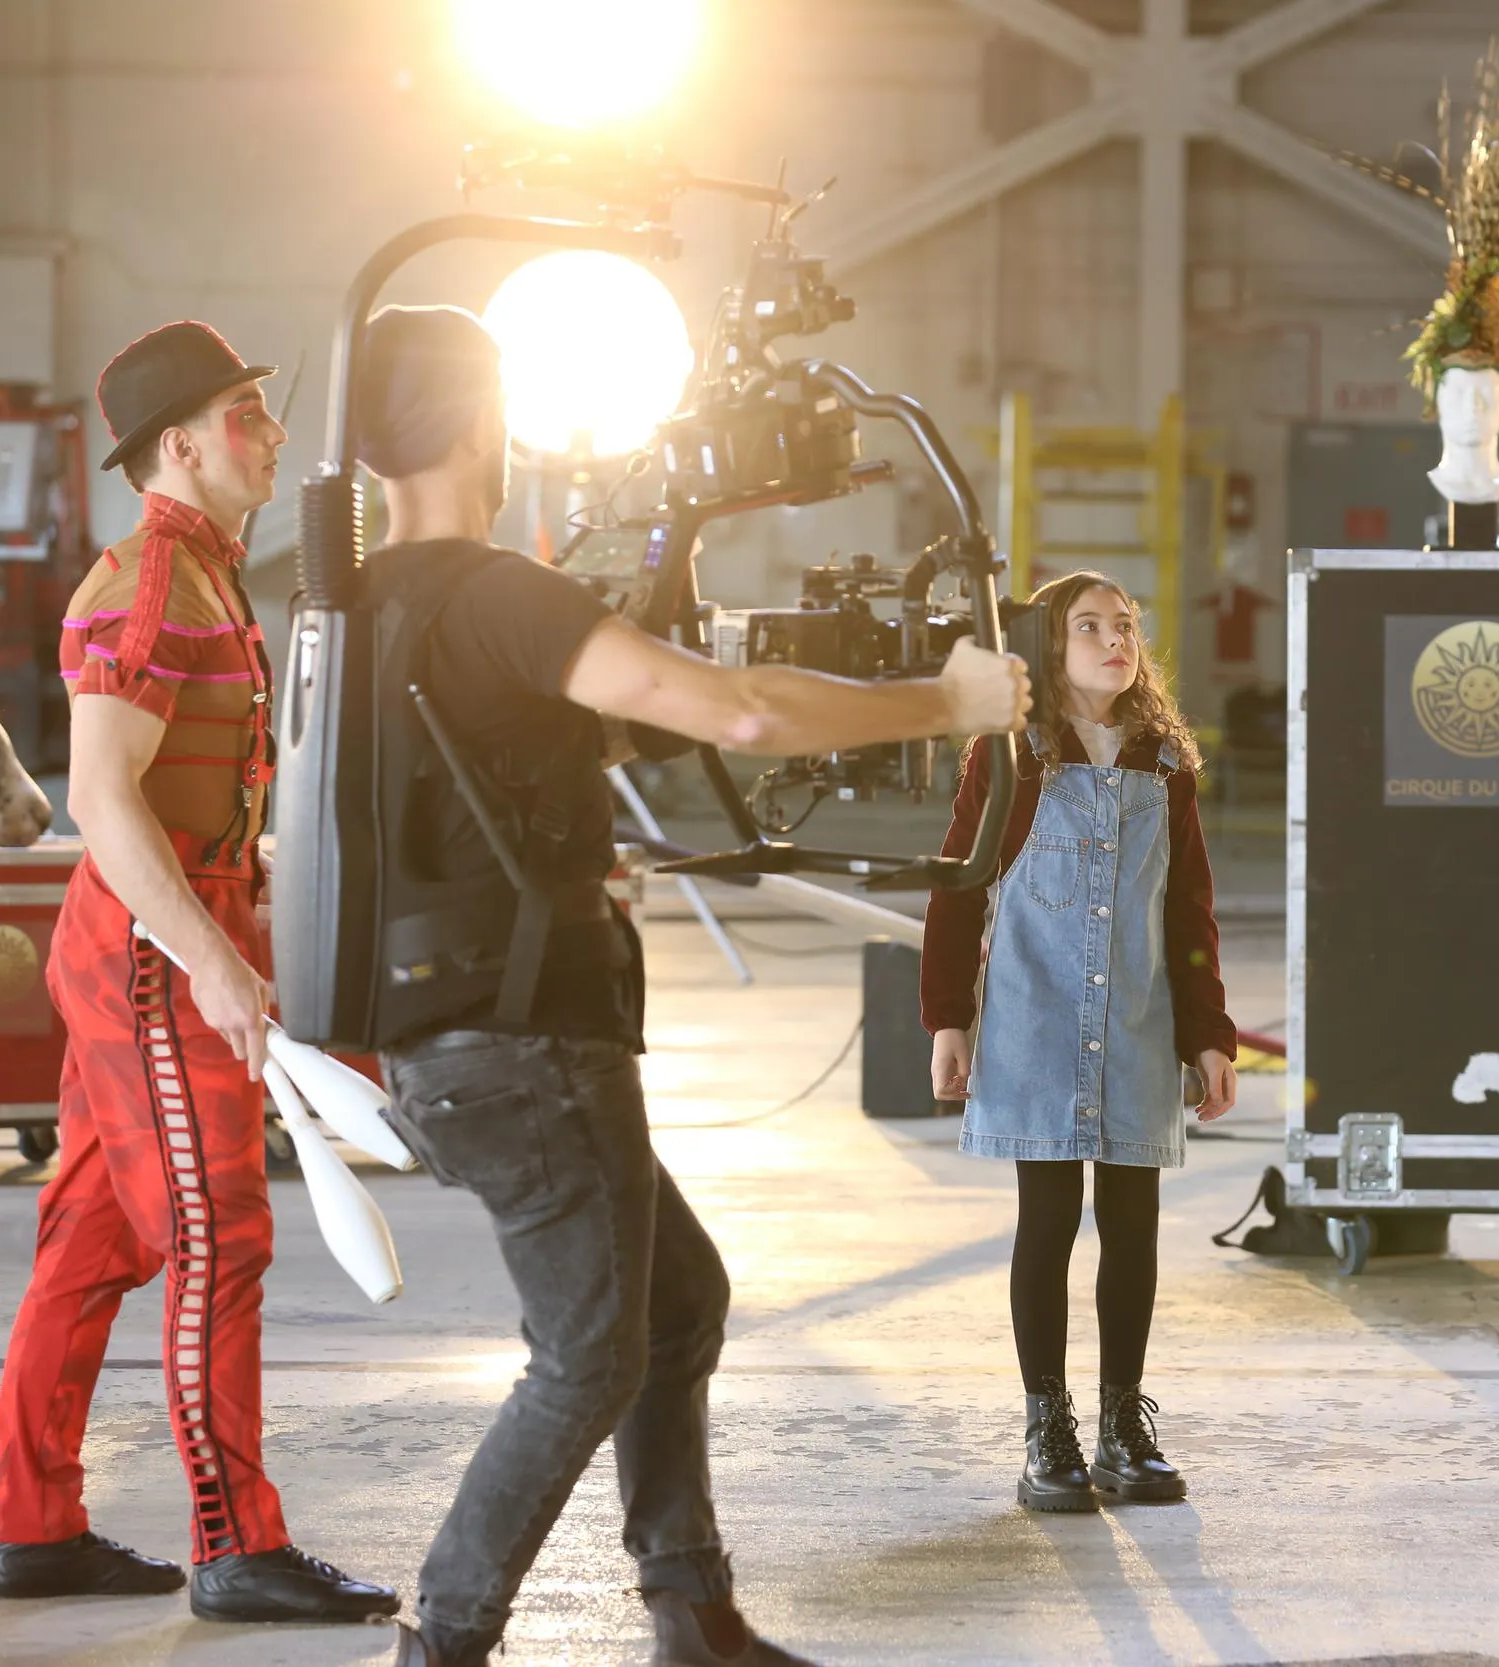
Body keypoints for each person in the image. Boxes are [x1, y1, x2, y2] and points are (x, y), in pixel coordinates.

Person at [346, 306, 1030, 1667]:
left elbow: (514, 762)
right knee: (591, 1352)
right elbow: (741, 709)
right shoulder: (497, 594)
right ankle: (448, 1636)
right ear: (482, 422)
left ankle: (692, 1611)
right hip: (526, 1039)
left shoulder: (360, 604)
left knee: (677, 1302)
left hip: (443, 1034)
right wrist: (946, 701)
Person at [0, 322, 398, 1622]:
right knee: (219, 1232)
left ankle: (33, 1526)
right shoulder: (151, 580)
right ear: (180, 444)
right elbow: (102, 798)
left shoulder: (209, 571)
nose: (271, 433)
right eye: (245, 414)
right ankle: (237, 1545)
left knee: (93, 1236)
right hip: (150, 947)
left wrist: (244, 862)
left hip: (165, 922)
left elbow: (175, 782)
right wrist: (211, 957)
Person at [922, 569, 1239, 1513]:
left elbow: (1189, 910)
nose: (1115, 640)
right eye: (1090, 626)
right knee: (1050, 1219)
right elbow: (956, 888)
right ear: (1048, 649)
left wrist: (1209, 1034)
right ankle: (1047, 1428)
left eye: (1126, 624)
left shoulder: (1164, 765)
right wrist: (949, 1017)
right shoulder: (1011, 757)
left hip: (1137, 1024)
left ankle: (1120, 1426)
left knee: (1133, 1222)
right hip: (1036, 1020)